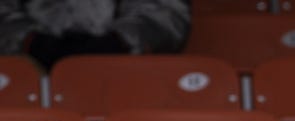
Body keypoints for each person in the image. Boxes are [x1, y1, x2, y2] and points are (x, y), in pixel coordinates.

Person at [0, 0, 191, 71]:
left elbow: (166, 12)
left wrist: (121, 41)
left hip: (124, 72)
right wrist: (31, 41)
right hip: (26, 70)